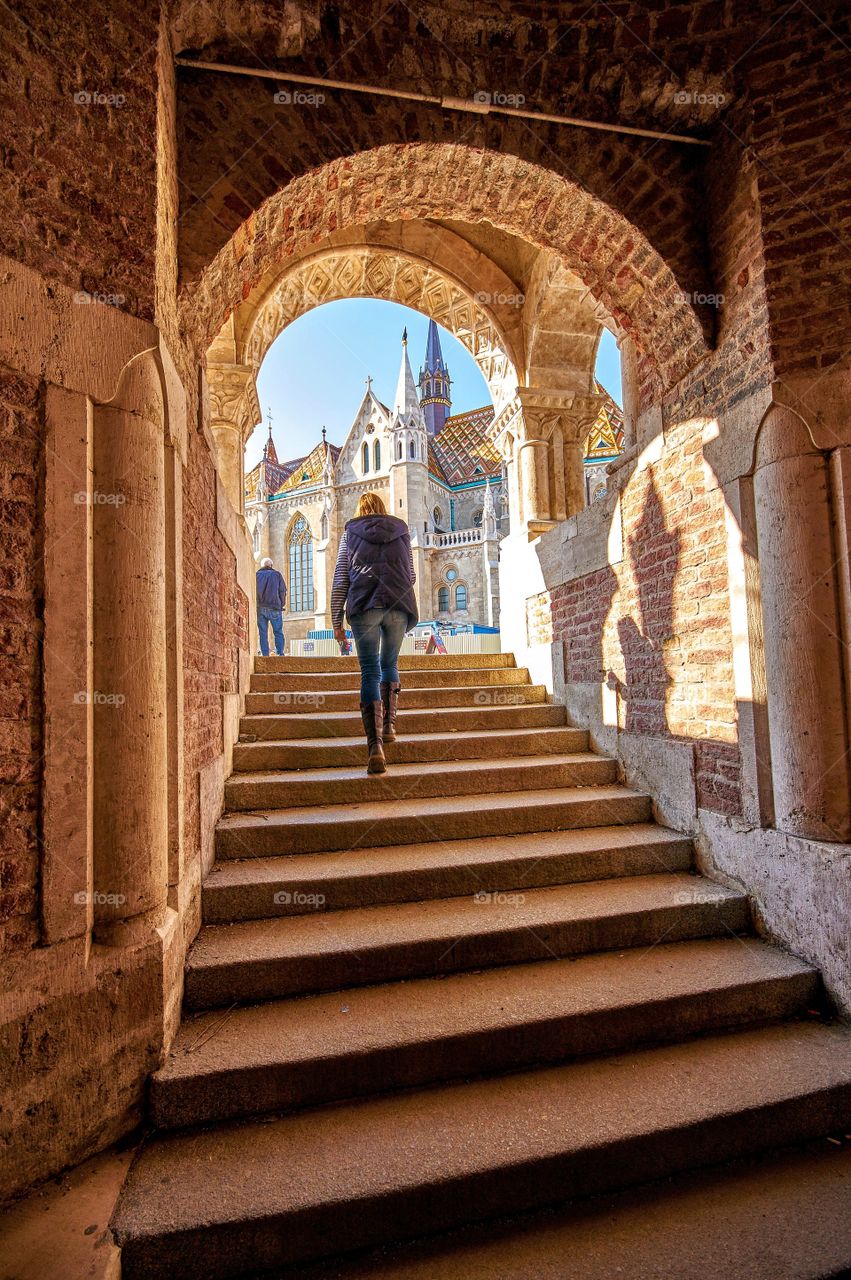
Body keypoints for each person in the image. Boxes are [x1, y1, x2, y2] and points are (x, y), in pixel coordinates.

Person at [331, 493, 418, 774]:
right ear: (382, 510)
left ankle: (375, 748)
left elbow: (341, 577)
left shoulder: (350, 533)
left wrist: (336, 621)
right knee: (389, 664)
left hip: (364, 603)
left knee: (370, 672)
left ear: (360, 510)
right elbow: (412, 575)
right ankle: (390, 725)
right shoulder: (401, 530)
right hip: (398, 604)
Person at [256, 556, 287, 657]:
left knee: (263, 633)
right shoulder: (277, 575)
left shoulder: (257, 575)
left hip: (260, 607)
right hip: (274, 607)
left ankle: (265, 655)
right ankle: (280, 654)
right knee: (278, 632)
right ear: (271, 565)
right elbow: (282, 591)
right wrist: (281, 604)